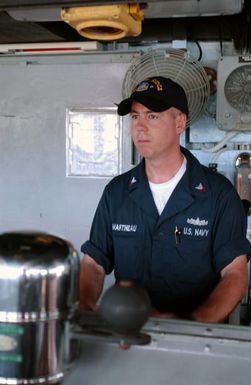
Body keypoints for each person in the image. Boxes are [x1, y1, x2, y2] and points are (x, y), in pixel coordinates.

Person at [79, 76, 251, 323]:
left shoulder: (218, 195)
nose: (139, 127)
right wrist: (85, 310)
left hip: (196, 340)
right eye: (135, 117)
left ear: (180, 122)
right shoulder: (116, 192)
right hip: (129, 332)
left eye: (152, 116)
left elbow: (235, 275)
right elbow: (93, 264)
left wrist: (192, 324)